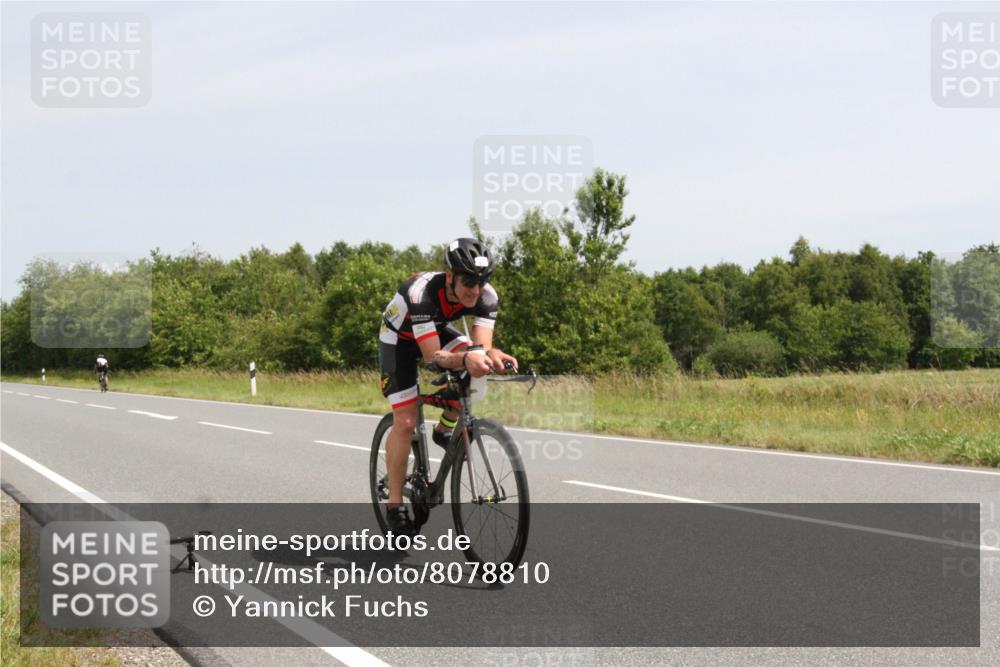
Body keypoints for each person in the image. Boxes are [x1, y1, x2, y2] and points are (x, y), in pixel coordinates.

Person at [378, 238, 518, 536]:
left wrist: (493, 355)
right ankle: (393, 505)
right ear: (450, 275)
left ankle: (444, 430)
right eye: (469, 280)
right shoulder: (421, 293)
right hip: (399, 341)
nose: (475, 289)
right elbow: (433, 358)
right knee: (405, 422)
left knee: (473, 362)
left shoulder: (486, 296)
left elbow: (481, 347)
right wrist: (466, 358)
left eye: (482, 281)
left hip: (434, 329)